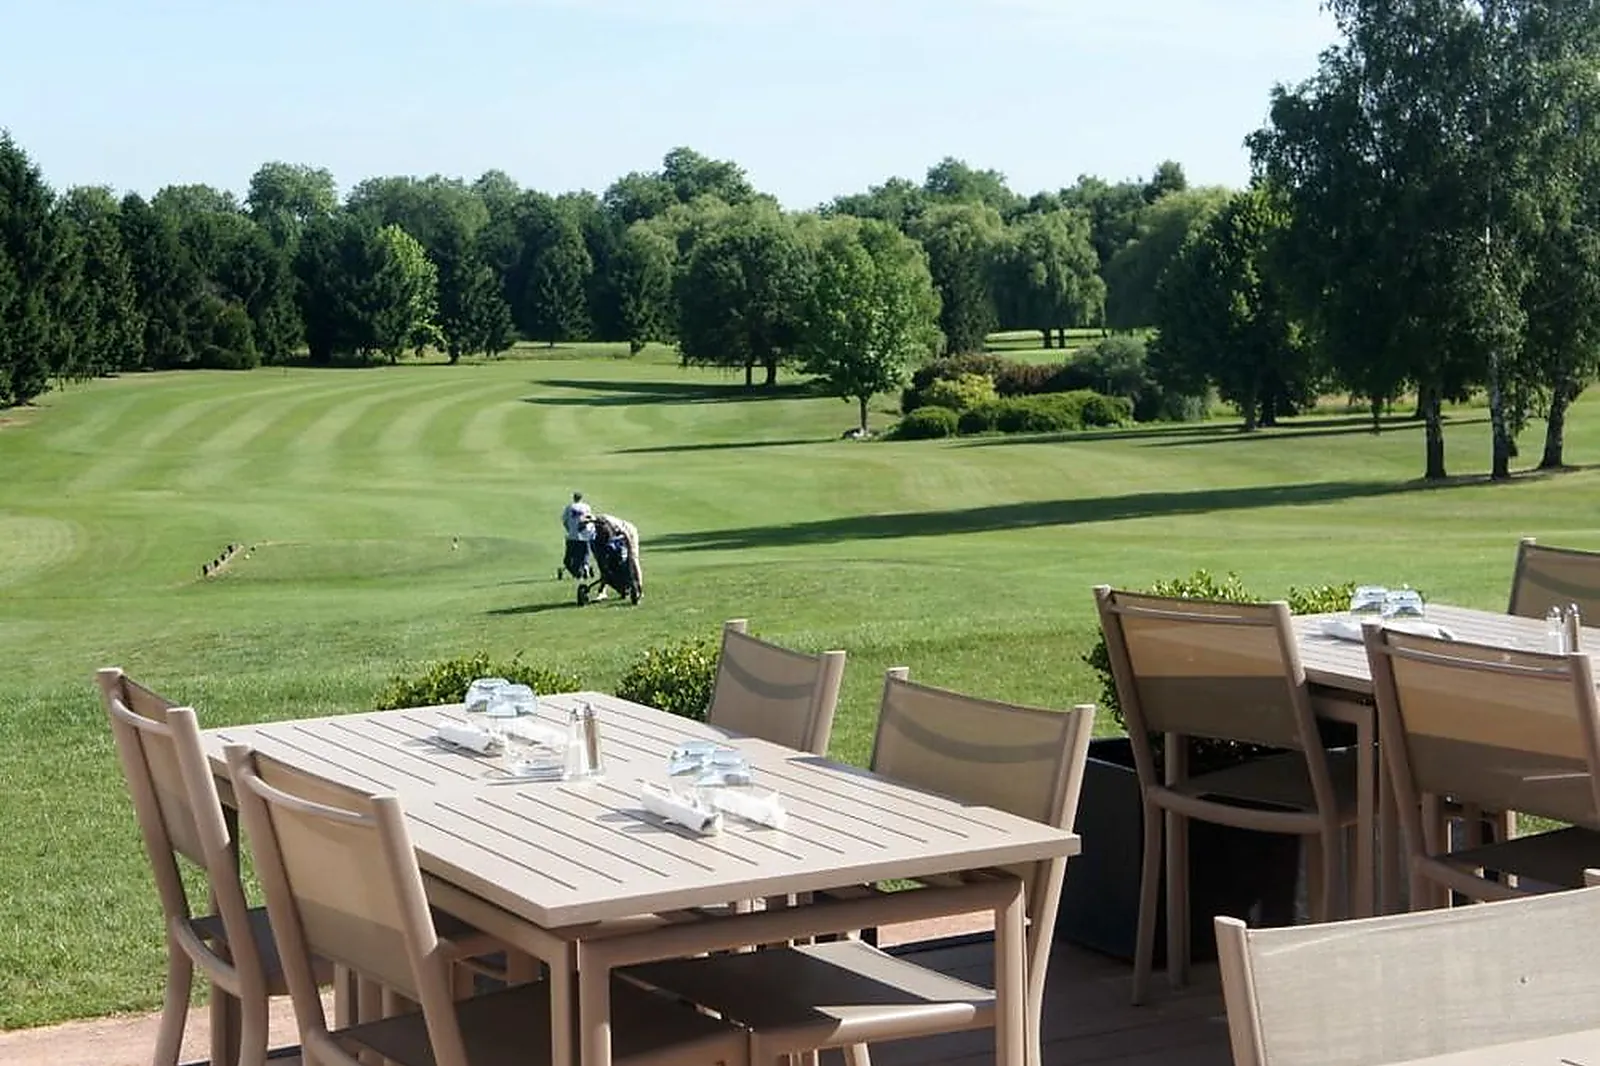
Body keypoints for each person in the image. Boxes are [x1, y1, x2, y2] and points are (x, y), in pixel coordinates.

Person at [585, 512, 643, 601]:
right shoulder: (597, 524)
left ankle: (639, 587)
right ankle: (602, 591)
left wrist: (630, 551)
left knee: (633, 559)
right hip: (613, 538)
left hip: (629, 533)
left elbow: (627, 536)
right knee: (604, 564)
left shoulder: (615, 527)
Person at [560, 492, 593, 579]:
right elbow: (589, 520)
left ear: (574, 498)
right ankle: (585, 567)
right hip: (585, 536)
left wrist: (569, 529)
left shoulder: (569, 507)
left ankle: (577, 573)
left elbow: (564, 521)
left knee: (569, 558)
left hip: (572, 537)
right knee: (584, 554)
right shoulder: (586, 507)